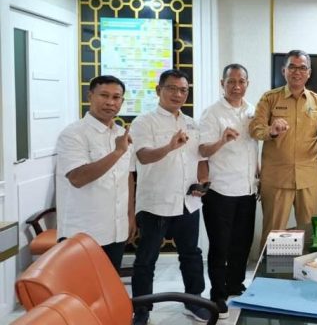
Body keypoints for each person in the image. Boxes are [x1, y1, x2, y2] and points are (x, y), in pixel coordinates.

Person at [130, 69, 210, 324]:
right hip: (156, 202)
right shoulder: (144, 122)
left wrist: (202, 182)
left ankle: (194, 301)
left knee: (191, 254)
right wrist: (169, 147)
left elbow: (199, 158)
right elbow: (143, 156)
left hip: (188, 202)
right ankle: (142, 310)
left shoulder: (191, 123)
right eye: (172, 88)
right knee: (146, 259)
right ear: (158, 90)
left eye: (183, 90)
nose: (178, 94)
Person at [55, 75, 135, 270]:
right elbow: (77, 178)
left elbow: (127, 177)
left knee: (109, 284)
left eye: (116, 97)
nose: (110, 102)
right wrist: (117, 153)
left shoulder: (121, 134)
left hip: (116, 229)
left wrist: (130, 215)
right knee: (80, 287)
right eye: (104, 95)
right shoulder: (73, 134)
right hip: (83, 232)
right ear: (90, 96)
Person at [249, 50, 317, 245]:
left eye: (302, 68)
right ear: (284, 70)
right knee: (273, 234)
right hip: (276, 177)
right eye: (292, 67)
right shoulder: (270, 98)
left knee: (310, 234)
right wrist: (271, 131)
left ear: (309, 73)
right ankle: (269, 267)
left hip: (309, 177)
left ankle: (307, 267)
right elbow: (255, 129)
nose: (297, 72)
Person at [198, 63, 258, 318]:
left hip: (247, 189)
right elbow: (202, 150)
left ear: (247, 84)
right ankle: (218, 293)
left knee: (242, 243)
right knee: (220, 245)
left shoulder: (253, 111)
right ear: (221, 84)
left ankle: (235, 284)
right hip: (220, 190)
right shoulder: (212, 113)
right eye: (231, 81)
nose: (236, 86)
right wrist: (222, 139)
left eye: (241, 81)